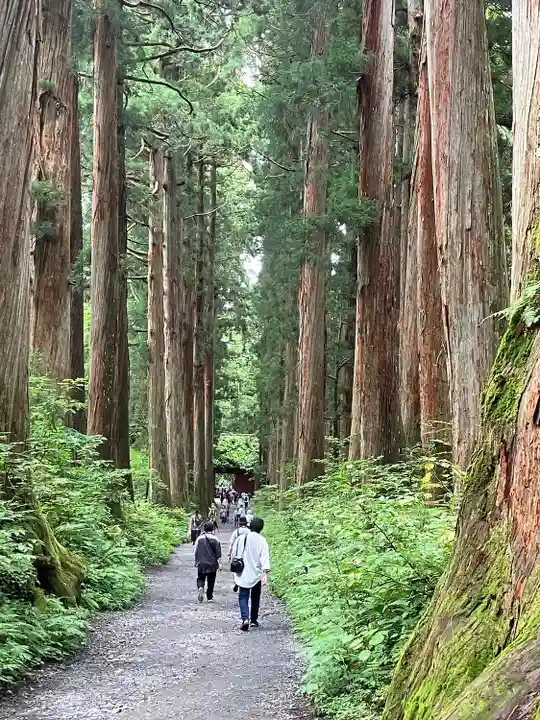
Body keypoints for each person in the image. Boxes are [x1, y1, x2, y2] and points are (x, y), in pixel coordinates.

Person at [231, 516, 270, 631]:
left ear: (250, 525)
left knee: (243, 596)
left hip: (243, 572)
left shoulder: (241, 538)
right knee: (255, 597)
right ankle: (253, 620)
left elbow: (234, 554)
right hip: (256, 574)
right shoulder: (262, 540)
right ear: (261, 528)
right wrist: (265, 573)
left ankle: (245, 619)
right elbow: (264, 558)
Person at [194, 521, 222, 603]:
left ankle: (200, 587)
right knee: (211, 580)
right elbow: (218, 553)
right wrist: (219, 563)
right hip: (212, 563)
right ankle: (209, 597)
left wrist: (196, 561)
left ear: (204, 529)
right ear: (213, 529)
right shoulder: (216, 539)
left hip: (201, 562)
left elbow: (195, 551)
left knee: (200, 577)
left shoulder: (199, 538)